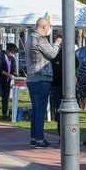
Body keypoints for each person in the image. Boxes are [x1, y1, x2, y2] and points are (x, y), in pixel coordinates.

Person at [26, 17, 60, 148]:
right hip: (41, 78)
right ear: (44, 27)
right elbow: (52, 54)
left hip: (32, 78)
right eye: (49, 27)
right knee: (40, 110)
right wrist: (57, 43)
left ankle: (34, 137)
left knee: (36, 109)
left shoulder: (30, 38)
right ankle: (39, 139)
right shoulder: (40, 38)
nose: (49, 30)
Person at [0, 43, 18, 120]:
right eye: (12, 52)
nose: (12, 54)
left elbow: (13, 70)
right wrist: (8, 75)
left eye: (14, 53)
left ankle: (4, 114)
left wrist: (16, 74)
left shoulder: (12, 59)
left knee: (5, 98)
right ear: (7, 51)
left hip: (7, 81)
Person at [49, 34, 64, 134]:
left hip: (64, 86)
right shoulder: (54, 54)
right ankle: (60, 133)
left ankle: (63, 133)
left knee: (62, 110)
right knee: (58, 110)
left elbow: (76, 63)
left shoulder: (67, 53)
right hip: (56, 85)